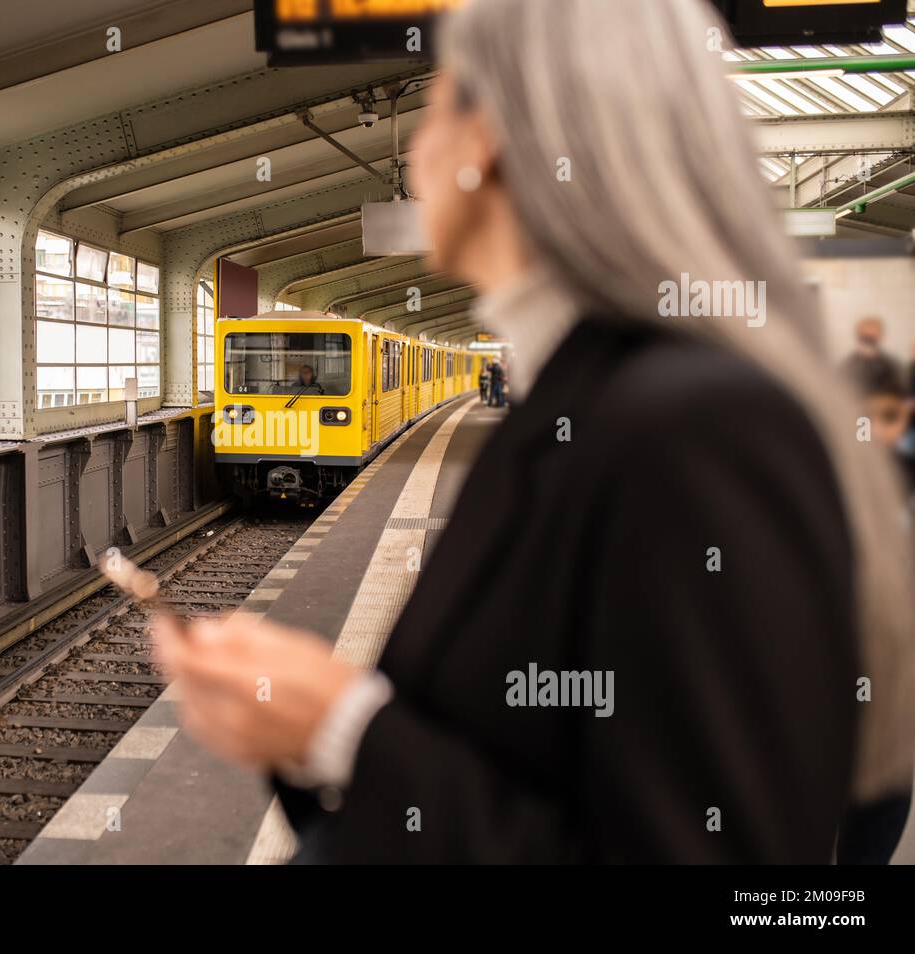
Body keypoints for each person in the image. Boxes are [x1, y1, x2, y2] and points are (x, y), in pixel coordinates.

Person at [155, 0, 914, 863]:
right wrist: (307, 738)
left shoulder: (696, 427)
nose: (411, 151)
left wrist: (342, 729)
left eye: (435, 106)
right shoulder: (584, 405)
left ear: (488, 139)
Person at [840, 317, 903, 398]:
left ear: (880, 336)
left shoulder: (891, 364)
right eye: (865, 336)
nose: (868, 340)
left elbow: (899, 392)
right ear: (858, 335)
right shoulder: (847, 365)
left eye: (872, 337)